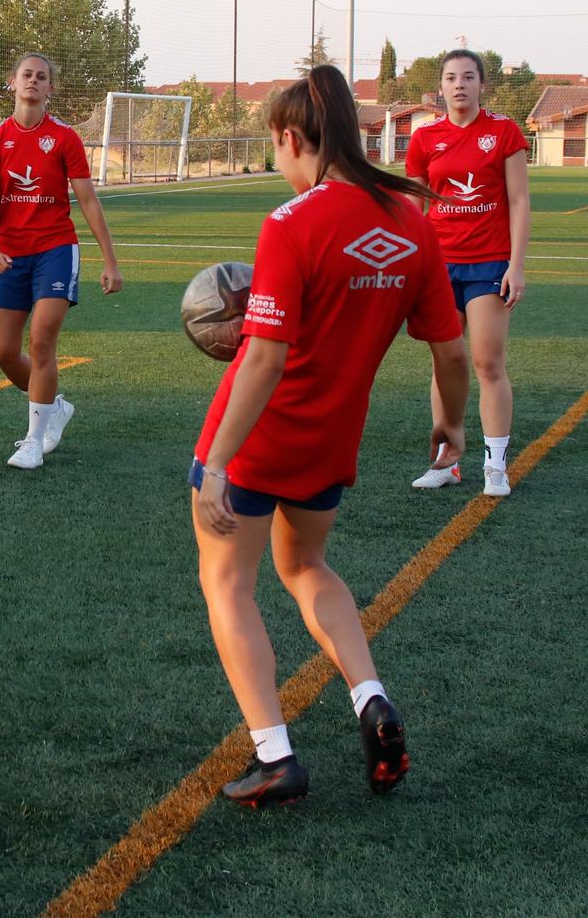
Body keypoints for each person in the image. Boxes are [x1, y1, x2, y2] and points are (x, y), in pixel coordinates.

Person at [191, 65, 469, 807]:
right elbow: (450, 349)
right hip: (331, 440)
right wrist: (453, 420)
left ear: (292, 138)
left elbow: (265, 355)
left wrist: (216, 459)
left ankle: (276, 754)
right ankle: (370, 696)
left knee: (228, 582)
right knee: (308, 566)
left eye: (275, 147)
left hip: (256, 438)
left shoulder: (292, 223)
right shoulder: (414, 222)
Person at [0, 52, 122, 469]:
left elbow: (89, 202)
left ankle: (34, 441)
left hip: (56, 250)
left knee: (41, 341)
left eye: (42, 77)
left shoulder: (64, 138)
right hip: (10, 254)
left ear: (50, 88)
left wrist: (110, 261)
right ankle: (54, 407)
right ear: (13, 82)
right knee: (3, 352)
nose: (34, 81)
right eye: (27, 75)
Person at [402, 49, 531, 496]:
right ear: (440, 86)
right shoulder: (424, 139)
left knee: (487, 362)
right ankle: (445, 461)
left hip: (490, 261)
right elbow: (414, 208)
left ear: (482, 85)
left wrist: (516, 264)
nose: (460, 84)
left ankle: (495, 465)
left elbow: (518, 201)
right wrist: (408, 263)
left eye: (469, 77)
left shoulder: (503, 132)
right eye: (452, 77)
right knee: (445, 364)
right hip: (438, 264)